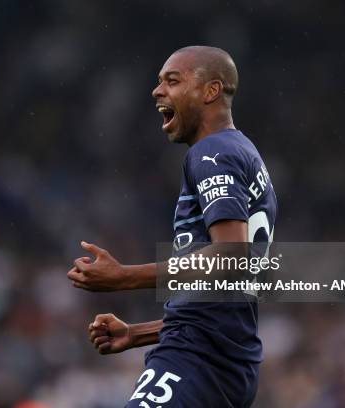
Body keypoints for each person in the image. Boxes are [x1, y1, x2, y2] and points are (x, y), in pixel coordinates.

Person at [67, 46, 277, 407]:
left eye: (172, 81)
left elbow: (231, 259)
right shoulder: (244, 153)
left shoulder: (213, 154)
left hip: (197, 360)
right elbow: (220, 299)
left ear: (211, 91)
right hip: (224, 361)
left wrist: (124, 277)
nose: (157, 90)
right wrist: (137, 334)